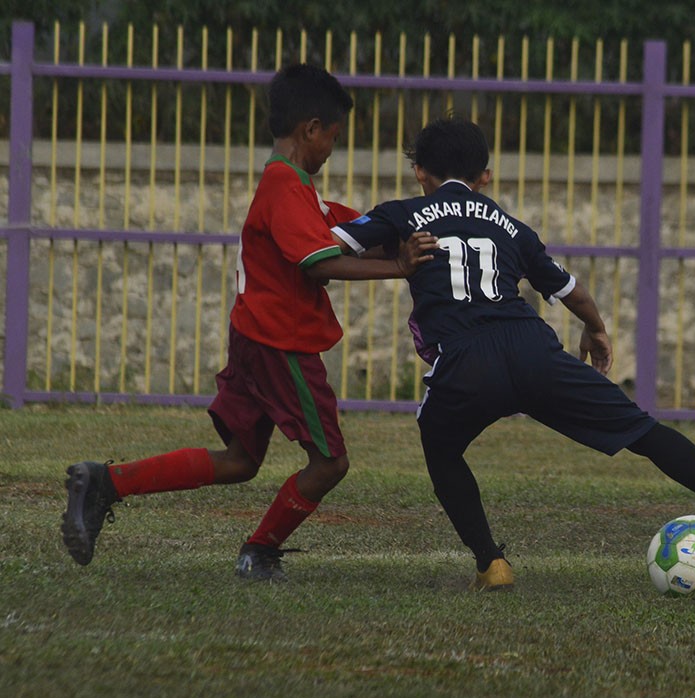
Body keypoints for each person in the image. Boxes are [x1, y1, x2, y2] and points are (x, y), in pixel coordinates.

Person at [332, 116, 695, 591]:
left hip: (467, 360)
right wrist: (596, 330)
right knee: (643, 431)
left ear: (419, 172)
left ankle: (492, 563)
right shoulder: (513, 228)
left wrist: (394, 260)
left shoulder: (400, 213)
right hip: (533, 349)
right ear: (485, 176)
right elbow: (570, 289)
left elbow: (329, 248)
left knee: (441, 450)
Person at [60, 63, 438, 581]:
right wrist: (399, 267)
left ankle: (106, 481)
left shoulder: (292, 185)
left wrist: (407, 229)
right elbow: (319, 263)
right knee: (330, 463)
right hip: (281, 343)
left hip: (254, 337)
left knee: (240, 461)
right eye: (333, 136)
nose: (333, 148)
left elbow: (348, 231)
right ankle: (258, 551)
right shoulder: (286, 187)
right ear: (311, 129)